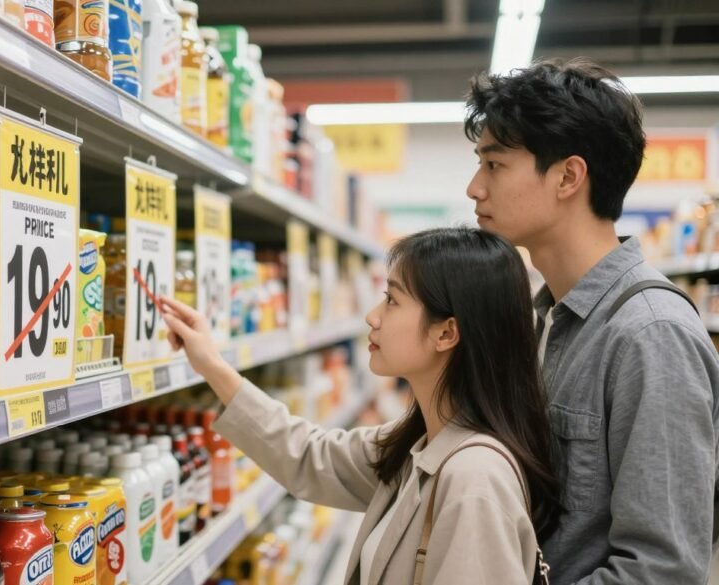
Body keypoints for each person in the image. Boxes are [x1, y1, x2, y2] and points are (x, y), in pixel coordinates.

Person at [162, 227, 560, 584]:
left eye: (392, 300)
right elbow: (310, 455)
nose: (372, 316)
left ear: (446, 333)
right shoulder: (422, 444)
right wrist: (212, 365)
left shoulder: (475, 481)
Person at [464, 58, 719, 584]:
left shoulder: (650, 335)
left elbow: (661, 572)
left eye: (494, 165)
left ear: (568, 177)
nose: (474, 187)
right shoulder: (549, 318)